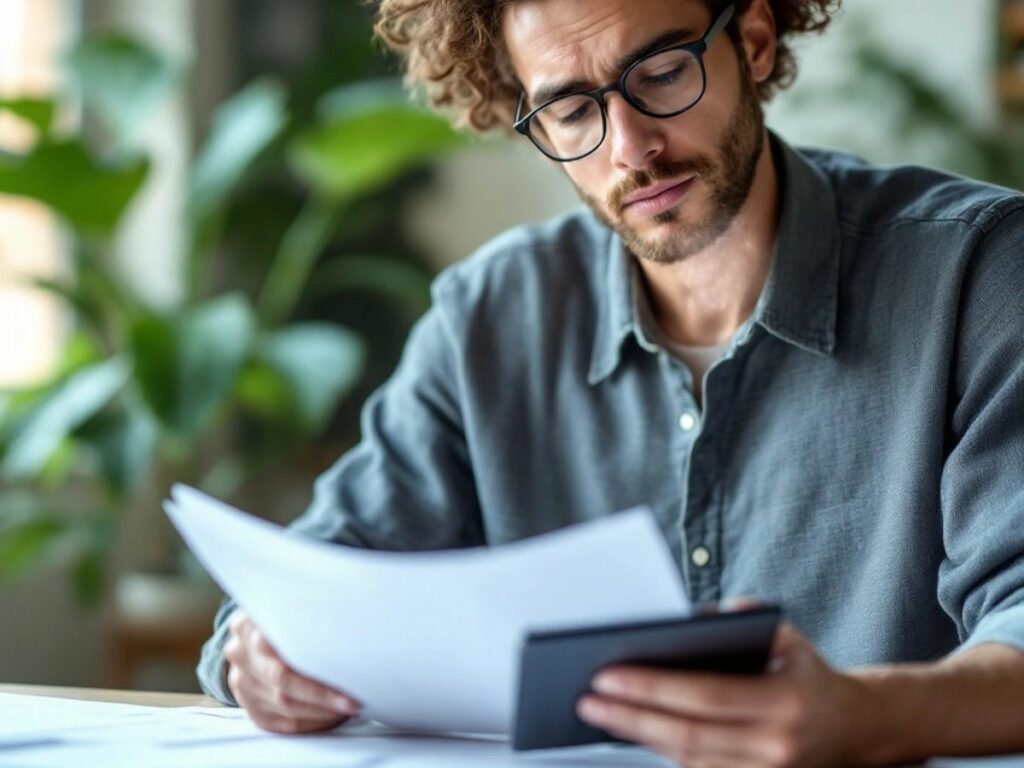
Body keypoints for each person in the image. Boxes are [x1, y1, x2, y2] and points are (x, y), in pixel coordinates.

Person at [198, 0, 1024, 764]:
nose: (629, 147)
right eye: (569, 109)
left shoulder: (974, 274)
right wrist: (261, 653)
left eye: (663, 74)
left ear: (756, 39)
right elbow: (317, 575)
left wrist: (866, 717)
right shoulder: (487, 318)